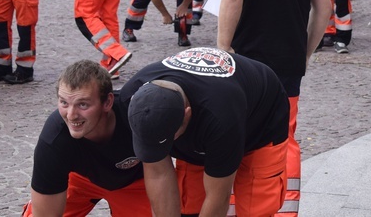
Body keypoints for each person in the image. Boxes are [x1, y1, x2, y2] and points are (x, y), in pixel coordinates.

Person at [217, 0, 331, 215]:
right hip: (287, 63)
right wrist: (305, 53)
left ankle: (240, 205)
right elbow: (324, 8)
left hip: (248, 62)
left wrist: (224, 47)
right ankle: (286, 208)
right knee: (284, 138)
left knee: (241, 133)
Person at [118, 47, 290, 217]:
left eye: (169, 139)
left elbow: (218, 198)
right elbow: (158, 174)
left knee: (255, 208)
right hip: (211, 117)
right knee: (191, 205)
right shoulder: (133, 99)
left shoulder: (220, 117)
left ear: (186, 114)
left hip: (261, 120)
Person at [22, 60, 151, 216]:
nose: (71, 115)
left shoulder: (136, 116)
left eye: (82, 105)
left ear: (108, 102)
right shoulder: (54, 140)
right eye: (64, 103)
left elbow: (164, 170)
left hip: (136, 183)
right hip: (78, 178)